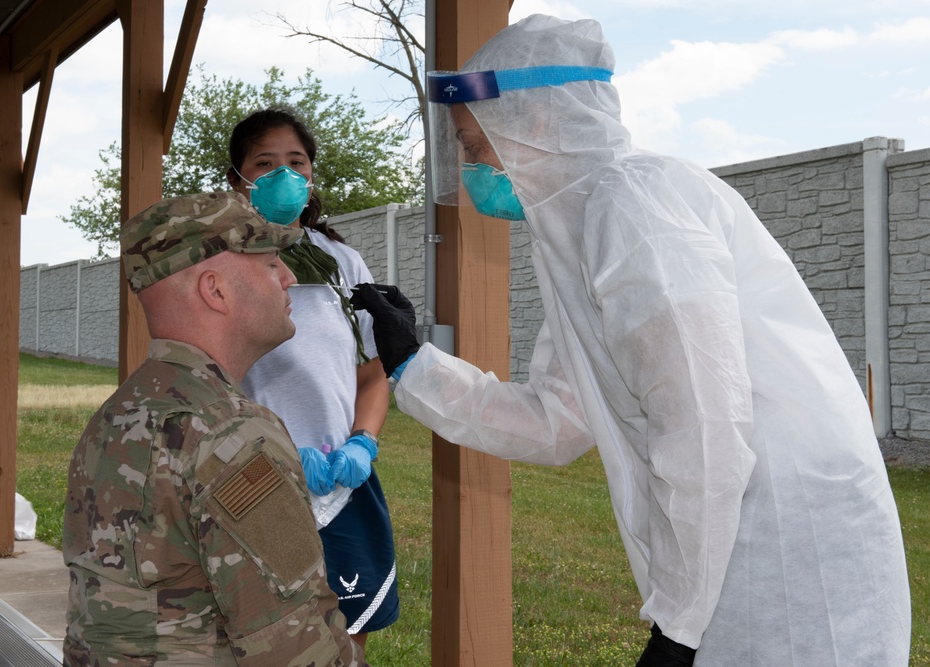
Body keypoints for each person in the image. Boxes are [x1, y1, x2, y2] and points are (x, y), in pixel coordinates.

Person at [350, 14, 911, 667]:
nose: (470, 167)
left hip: (787, 543)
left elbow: (706, 428)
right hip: (728, 543)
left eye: (475, 145)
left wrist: (678, 627)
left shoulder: (636, 206)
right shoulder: (578, 225)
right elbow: (558, 420)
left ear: (532, 121)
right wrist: (413, 364)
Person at [62, 191, 366, 666]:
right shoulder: (231, 434)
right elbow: (295, 648)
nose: (288, 278)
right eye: (270, 266)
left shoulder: (117, 414)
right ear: (216, 290)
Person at [225, 108, 399, 648]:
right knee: (262, 638)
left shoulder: (343, 264)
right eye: (265, 163)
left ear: (312, 176)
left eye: (295, 162)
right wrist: (266, 451)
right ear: (238, 180)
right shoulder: (220, 261)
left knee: (348, 636)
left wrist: (363, 443)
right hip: (250, 483)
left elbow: (373, 374)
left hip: (342, 483)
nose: (284, 174)